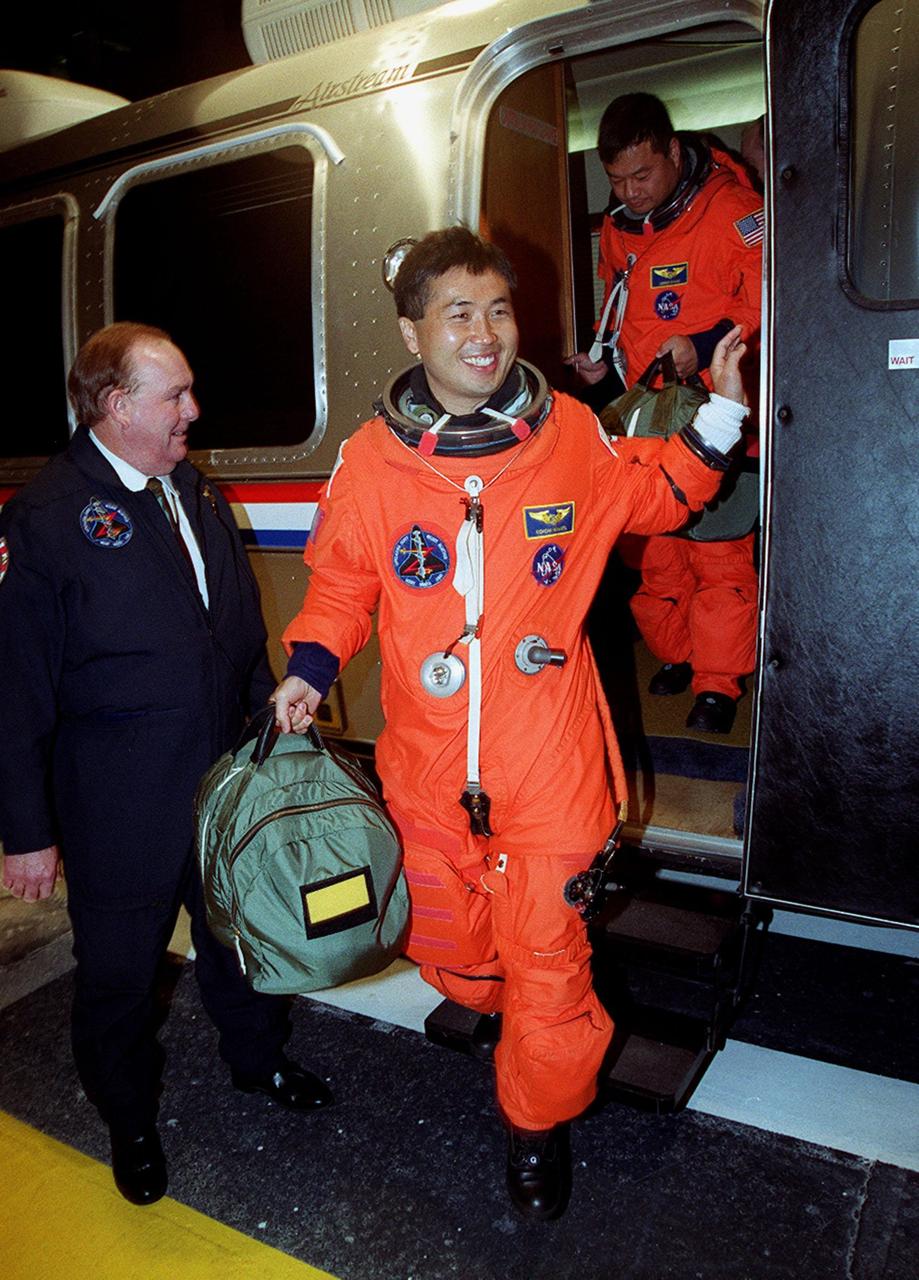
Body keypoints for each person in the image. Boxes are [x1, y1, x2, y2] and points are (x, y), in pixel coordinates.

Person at [270, 227, 749, 1219]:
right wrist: (309, 671)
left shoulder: (569, 431)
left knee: (548, 960)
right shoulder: (370, 461)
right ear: (413, 331)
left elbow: (655, 491)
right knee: (454, 947)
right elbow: (342, 584)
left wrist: (725, 408)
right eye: (458, 312)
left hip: (550, 761)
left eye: (498, 309)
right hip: (427, 765)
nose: (485, 332)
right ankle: (485, 995)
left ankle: (536, 1125)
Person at [0, 323, 333, 1208]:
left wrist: (273, 719)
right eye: (175, 396)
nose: (194, 410)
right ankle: (129, 1118)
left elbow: (236, 628)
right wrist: (25, 831)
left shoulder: (193, 490)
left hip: (220, 781)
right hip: (118, 804)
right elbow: (15, 691)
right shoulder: (45, 517)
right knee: (118, 975)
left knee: (240, 941)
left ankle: (257, 1064)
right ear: (117, 407)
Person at [567, 93, 762, 734]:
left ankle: (719, 682)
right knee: (656, 556)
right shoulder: (618, 228)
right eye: (618, 180)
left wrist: (703, 346)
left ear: (674, 153)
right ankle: (681, 656)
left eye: (643, 175)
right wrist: (604, 361)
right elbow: (620, 310)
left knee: (718, 560)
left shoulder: (733, 210)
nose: (631, 191)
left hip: (720, 413)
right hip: (649, 417)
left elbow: (775, 297)